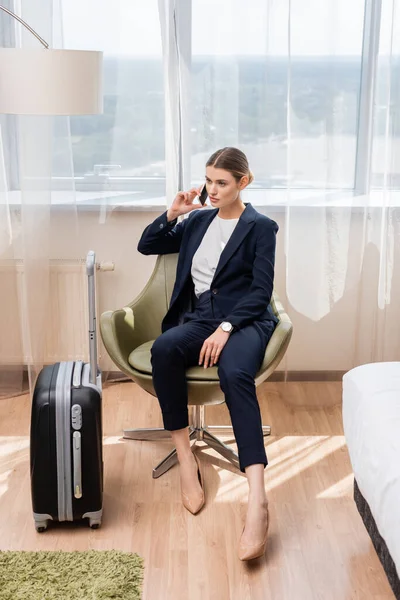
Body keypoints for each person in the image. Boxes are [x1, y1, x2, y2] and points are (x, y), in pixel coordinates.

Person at [137, 147, 278, 561]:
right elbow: (148, 245)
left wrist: (226, 328)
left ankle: (258, 499)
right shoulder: (198, 220)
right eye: (209, 181)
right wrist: (173, 212)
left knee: (235, 375)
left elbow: (261, 291)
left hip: (245, 321)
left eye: (222, 182)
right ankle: (186, 460)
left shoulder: (260, 227)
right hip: (200, 318)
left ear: (243, 182)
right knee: (164, 349)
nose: (212, 190)